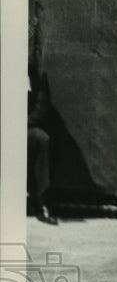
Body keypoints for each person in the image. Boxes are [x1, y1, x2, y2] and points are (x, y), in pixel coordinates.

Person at [27, 66, 58, 225]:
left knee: (41, 138)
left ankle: (41, 203)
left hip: (22, 127)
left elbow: (40, 109)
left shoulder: (35, 73)